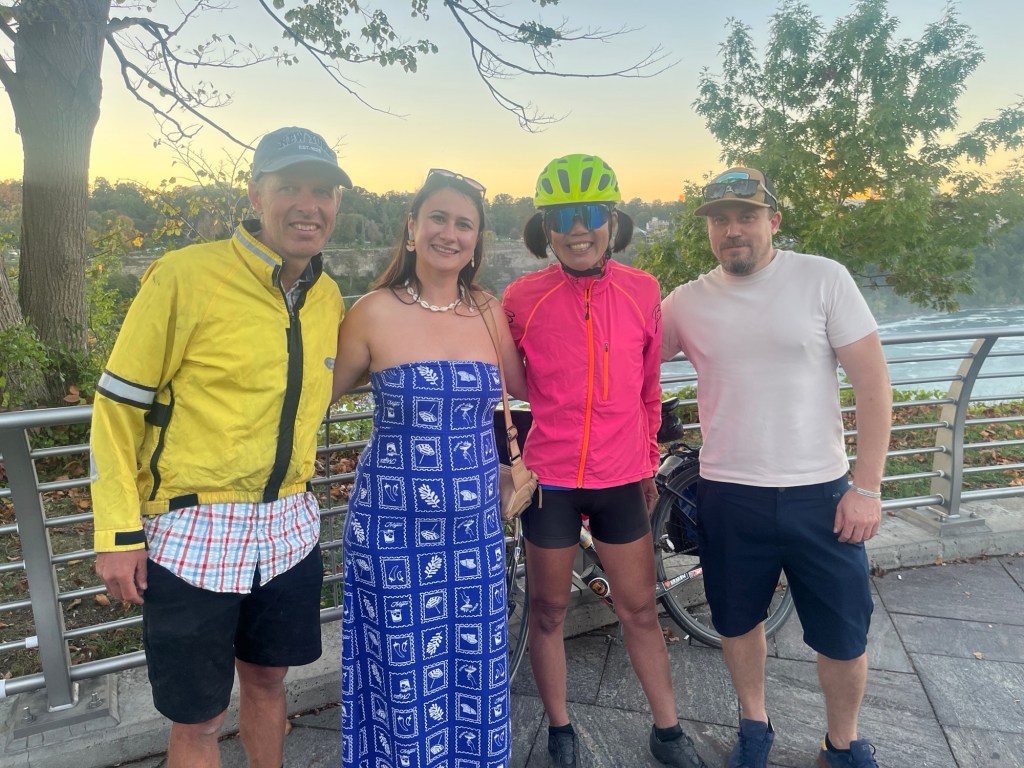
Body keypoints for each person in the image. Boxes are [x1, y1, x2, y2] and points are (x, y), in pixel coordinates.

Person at [90, 126, 350, 768]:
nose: (308, 205)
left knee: (268, 682)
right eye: (289, 187)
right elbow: (117, 409)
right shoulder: (185, 275)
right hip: (192, 530)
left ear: (337, 203)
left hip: (288, 527)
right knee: (199, 717)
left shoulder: (327, 296)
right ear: (256, 194)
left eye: (322, 191)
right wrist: (117, 532)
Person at [660, 167, 892, 768]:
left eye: (746, 216)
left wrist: (867, 487)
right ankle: (754, 725)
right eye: (719, 220)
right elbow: (620, 359)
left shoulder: (822, 278)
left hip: (823, 494)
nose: (732, 230)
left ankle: (842, 743)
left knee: (843, 632)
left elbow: (873, 383)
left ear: (773, 221)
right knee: (737, 622)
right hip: (729, 493)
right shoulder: (685, 302)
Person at [502, 154, 707, 768]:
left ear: (613, 221)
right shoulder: (521, 298)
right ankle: (560, 728)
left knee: (639, 608)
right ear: (545, 227)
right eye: (562, 216)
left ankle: (668, 731)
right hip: (551, 481)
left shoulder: (643, 291)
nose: (577, 228)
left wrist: (646, 465)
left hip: (620, 478)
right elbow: (503, 381)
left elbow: (648, 390)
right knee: (547, 610)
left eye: (591, 213)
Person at [331, 168, 526, 768]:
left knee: (474, 671)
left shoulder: (489, 312)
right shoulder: (371, 312)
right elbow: (311, 401)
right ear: (411, 227)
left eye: (464, 224)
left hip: (473, 531)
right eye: (438, 218)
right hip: (392, 531)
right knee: (399, 678)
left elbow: (530, 389)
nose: (450, 233)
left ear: (476, 240)